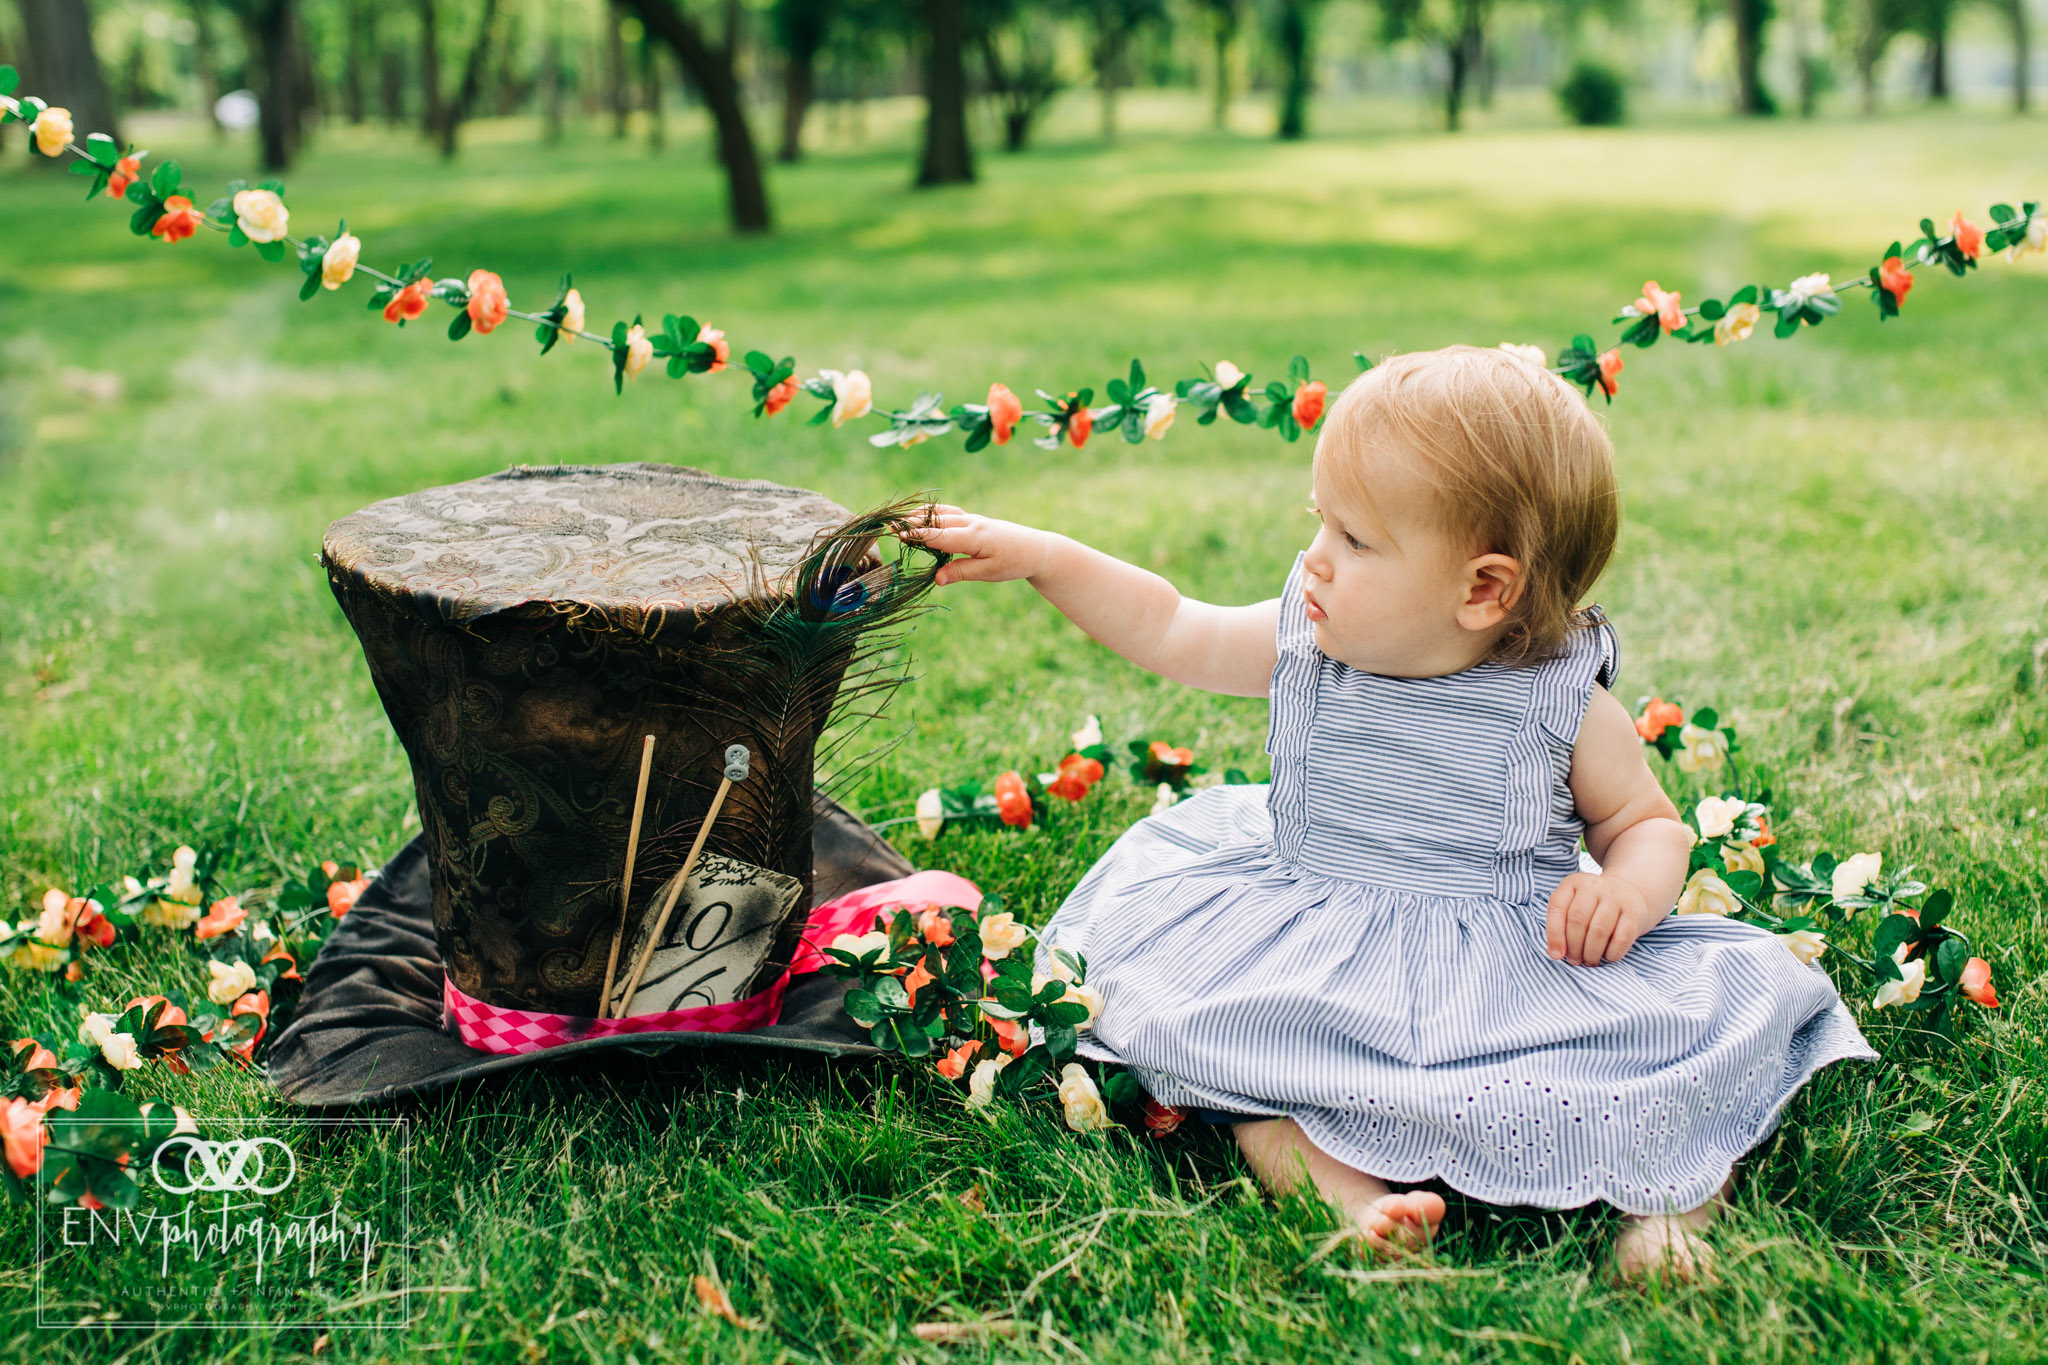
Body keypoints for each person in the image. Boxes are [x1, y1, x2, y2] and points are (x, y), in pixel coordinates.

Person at [901, 345, 1874, 1282]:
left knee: (1662, 1070)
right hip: (1311, 939)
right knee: (1244, 1074)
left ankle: (1663, 1220)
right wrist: (1040, 556)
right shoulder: (1308, 640)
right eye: (1320, 524)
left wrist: (1629, 887)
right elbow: (1168, 624)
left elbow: (1643, 824)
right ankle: (1352, 1206)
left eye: (1355, 541)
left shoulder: (1561, 702)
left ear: (1482, 589)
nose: (1313, 561)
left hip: (1505, 960)